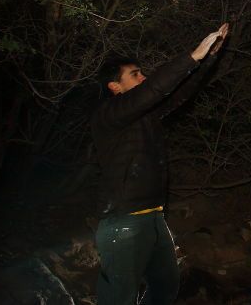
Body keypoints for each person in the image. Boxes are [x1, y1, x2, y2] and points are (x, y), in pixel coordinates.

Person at [90, 23, 229, 305]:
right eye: (135, 74)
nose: (143, 77)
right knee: (118, 296)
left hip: (154, 215)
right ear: (115, 86)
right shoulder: (109, 114)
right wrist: (193, 55)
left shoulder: (144, 115)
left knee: (165, 286)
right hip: (123, 220)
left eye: (141, 72)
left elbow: (177, 93)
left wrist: (210, 57)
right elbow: (153, 90)